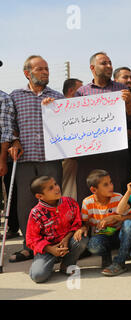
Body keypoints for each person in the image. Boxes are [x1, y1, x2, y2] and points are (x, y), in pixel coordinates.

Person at [2, 55, 65, 263]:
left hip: (51, 159)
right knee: (26, 204)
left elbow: (67, 124)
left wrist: (55, 109)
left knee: (54, 201)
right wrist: (15, 141)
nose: (45, 72)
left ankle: (55, 245)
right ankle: (29, 246)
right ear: (27, 73)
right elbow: (10, 127)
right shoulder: (15, 96)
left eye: (47, 69)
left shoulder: (58, 97)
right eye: (40, 69)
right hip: (25, 159)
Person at [75, 52, 131, 205]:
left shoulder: (121, 88)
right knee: (88, 192)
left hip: (115, 153)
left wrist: (129, 103)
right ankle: (90, 227)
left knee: (116, 191)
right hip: (90, 153)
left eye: (110, 63)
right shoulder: (82, 92)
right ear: (92, 67)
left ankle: (118, 225)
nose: (109, 66)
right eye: (104, 63)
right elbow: (74, 122)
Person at [26, 176, 88, 283]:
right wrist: (51, 250)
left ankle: (67, 264)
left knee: (81, 239)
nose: (56, 188)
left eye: (55, 184)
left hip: (67, 243)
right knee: (38, 276)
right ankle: (49, 261)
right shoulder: (36, 213)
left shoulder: (70, 202)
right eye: (50, 188)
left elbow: (77, 223)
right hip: (48, 249)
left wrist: (67, 238)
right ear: (40, 196)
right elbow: (31, 239)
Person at [78, 169, 131, 276]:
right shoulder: (87, 203)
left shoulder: (118, 197)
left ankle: (119, 262)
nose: (111, 186)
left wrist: (116, 218)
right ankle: (106, 257)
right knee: (93, 245)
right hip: (102, 236)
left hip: (120, 235)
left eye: (111, 182)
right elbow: (85, 223)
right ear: (93, 189)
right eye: (106, 184)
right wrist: (83, 228)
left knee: (129, 224)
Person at [0, 89, 20, 240]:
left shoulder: (3, 98)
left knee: (10, 193)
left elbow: (6, 131)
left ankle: (12, 228)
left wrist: (2, 160)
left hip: (2, 152)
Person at [61, 79, 83, 201]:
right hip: (66, 158)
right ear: (71, 91)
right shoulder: (59, 108)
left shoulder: (81, 108)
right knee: (67, 189)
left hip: (80, 156)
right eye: (80, 91)